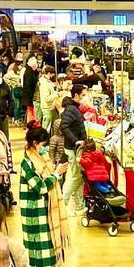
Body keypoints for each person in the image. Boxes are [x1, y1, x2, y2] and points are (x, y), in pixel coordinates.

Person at [19, 124, 69, 267]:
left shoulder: (42, 158)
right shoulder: (27, 163)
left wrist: (55, 173)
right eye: (43, 144)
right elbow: (39, 187)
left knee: (52, 250)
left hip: (48, 212)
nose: (46, 147)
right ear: (34, 144)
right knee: (40, 255)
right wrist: (55, 175)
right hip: (35, 214)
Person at [60, 84, 88, 215]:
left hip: (76, 147)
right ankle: (62, 202)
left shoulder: (73, 108)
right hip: (73, 148)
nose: (84, 98)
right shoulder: (71, 109)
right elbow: (64, 126)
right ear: (76, 95)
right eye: (82, 95)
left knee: (79, 177)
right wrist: (75, 140)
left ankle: (79, 206)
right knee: (76, 177)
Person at [21, 56, 40, 123]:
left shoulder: (28, 70)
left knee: (30, 112)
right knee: (30, 112)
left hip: (28, 96)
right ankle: (30, 126)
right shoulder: (29, 72)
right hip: (29, 96)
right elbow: (28, 85)